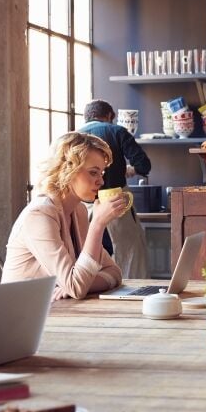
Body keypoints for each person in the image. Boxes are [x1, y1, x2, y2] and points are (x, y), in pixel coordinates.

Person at [2, 131, 124, 299]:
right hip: (21, 320)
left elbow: (114, 273)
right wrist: (98, 224)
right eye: (93, 172)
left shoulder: (78, 211)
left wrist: (80, 284)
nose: (101, 181)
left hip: (54, 311)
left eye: (101, 174)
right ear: (68, 170)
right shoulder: (39, 215)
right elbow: (76, 287)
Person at [77, 99, 151, 278]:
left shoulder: (75, 136)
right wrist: (130, 170)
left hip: (84, 207)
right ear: (110, 116)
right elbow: (144, 165)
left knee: (90, 256)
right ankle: (130, 293)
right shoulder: (117, 131)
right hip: (117, 204)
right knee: (129, 254)